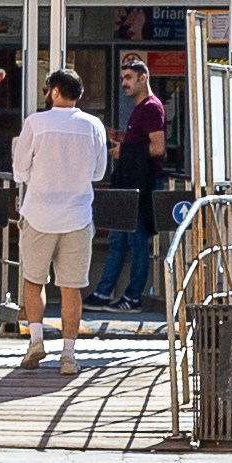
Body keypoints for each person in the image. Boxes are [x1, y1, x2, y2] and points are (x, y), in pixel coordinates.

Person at [10, 60, 107, 370]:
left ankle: (36, 341)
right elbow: (99, 171)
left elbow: (20, 170)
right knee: (72, 286)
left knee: (32, 280)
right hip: (77, 215)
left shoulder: (35, 123)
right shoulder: (93, 125)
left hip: (38, 213)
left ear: (53, 91)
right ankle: (68, 355)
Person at [93, 67, 173, 318]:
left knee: (137, 242)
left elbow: (158, 148)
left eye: (128, 78)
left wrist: (124, 151)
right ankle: (104, 292)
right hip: (127, 183)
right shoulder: (140, 109)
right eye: (122, 78)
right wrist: (121, 140)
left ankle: (133, 296)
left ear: (143, 78)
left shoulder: (151, 107)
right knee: (118, 239)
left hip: (142, 185)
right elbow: (142, 143)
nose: (123, 83)